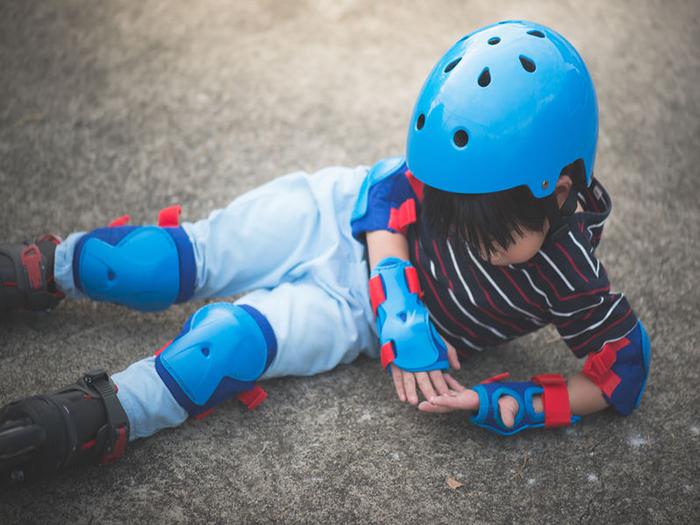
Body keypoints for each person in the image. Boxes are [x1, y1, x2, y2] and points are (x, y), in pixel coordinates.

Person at [0, 20, 650, 486]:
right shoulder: (461, 164)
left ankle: (101, 413)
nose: (470, 239)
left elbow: (620, 375)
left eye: (493, 237)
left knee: (228, 343)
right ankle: (41, 269)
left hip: (349, 316)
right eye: (454, 214)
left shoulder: (571, 277)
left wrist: (498, 403)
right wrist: (406, 316)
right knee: (159, 265)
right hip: (327, 214)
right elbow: (387, 195)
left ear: (558, 190)